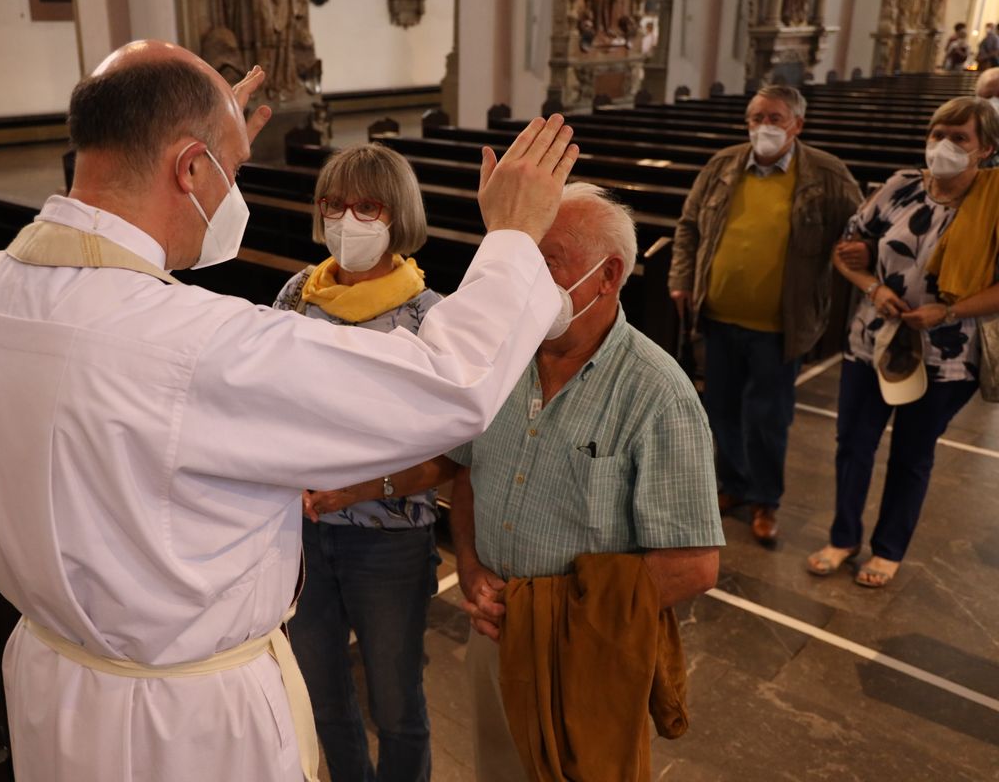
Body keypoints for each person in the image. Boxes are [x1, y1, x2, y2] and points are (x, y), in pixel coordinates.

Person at [0, 40, 581, 782]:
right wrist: (514, 238)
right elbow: (448, 382)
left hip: (57, 687)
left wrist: (204, 126)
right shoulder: (191, 347)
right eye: (230, 171)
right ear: (189, 168)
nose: (233, 195)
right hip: (189, 732)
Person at [450, 183, 723, 781]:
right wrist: (470, 568)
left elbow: (694, 564)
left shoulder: (658, 394)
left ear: (608, 276)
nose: (527, 282)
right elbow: (470, 474)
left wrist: (552, 614)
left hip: (585, 649)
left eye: (547, 263)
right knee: (497, 769)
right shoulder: (501, 356)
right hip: (494, 632)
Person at [272, 143, 452, 782]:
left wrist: (360, 489)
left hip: (389, 541)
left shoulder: (430, 319)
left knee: (397, 703)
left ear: (397, 216)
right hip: (303, 532)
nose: (349, 219)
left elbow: (455, 457)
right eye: (334, 205)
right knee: (321, 693)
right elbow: (268, 401)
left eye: (368, 206)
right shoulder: (298, 294)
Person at [807, 96, 999, 588]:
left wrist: (949, 310)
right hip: (873, 340)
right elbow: (846, 253)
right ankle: (844, 536)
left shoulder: (994, 205)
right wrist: (875, 287)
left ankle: (889, 549)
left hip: (947, 354)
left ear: (987, 149)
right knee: (854, 443)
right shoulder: (900, 187)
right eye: (938, 134)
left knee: (913, 454)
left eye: (960, 138)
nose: (944, 146)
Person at [668, 84, 863, 547]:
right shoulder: (722, 166)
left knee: (768, 419)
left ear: (797, 124)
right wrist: (680, 278)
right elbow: (689, 226)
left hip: (780, 327)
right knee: (721, 411)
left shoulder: (827, 175)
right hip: (716, 316)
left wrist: (861, 261)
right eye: (756, 117)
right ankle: (733, 485)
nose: (764, 127)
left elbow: (860, 230)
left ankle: (765, 499)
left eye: (775, 118)